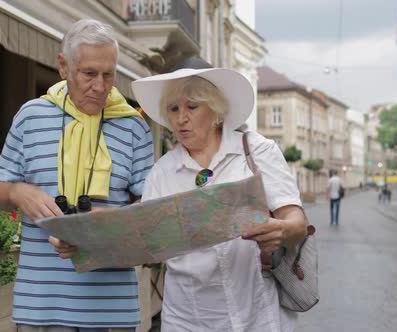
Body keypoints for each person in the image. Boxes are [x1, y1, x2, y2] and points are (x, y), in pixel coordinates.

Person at [0, 19, 154, 331]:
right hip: (41, 306)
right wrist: (18, 192)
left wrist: (102, 227)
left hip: (112, 311)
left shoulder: (134, 127)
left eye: (109, 74)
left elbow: (151, 215)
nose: (101, 86)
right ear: (63, 67)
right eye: (89, 74)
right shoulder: (30, 117)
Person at [131, 68, 308, 331]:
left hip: (255, 312)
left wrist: (281, 230)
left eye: (192, 107)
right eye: (173, 109)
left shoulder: (256, 151)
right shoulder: (162, 171)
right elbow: (146, 241)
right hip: (187, 318)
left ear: (215, 111)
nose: (181, 119)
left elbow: (297, 223)